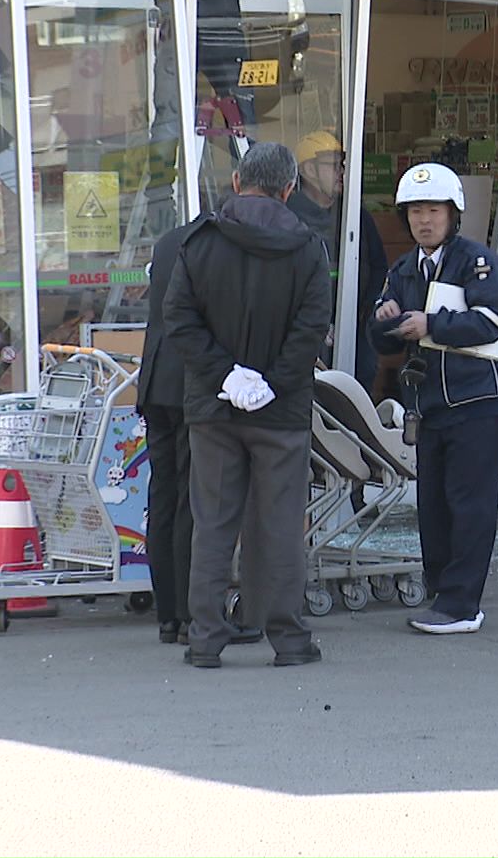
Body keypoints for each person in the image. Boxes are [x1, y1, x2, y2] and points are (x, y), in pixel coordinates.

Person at [164, 142, 332, 668]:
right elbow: (312, 329)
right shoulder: (309, 247)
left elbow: (179, 320)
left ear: (237, 182)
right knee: (280, 525)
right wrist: (271, 384)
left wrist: (226, 375)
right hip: (282, 413)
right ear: (289, 189)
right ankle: (288, 639)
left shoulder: (199, 242)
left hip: (212, 410)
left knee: (213, 523)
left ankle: (205, 639)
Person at [370, 163, 498, 635]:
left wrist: (430, 325)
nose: (424, 220)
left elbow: (495, 323)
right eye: (416, 211)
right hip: (430, 404)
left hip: (476, 400)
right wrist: (384, 319)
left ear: (453, 214)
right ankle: (441, 593)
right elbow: (382, 339)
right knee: (433, 505)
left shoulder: (478, 263)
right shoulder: (403, 269)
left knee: (469, 503)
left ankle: (462, 604)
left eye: (433, 210)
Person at [137, 215, 205, 646]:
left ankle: (166, 614)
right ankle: (186, 613)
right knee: (188, 499)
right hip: (188, 383)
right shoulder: (211, 246)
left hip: (155, 377)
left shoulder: (168, 241)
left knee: (161, 495)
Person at [288, 129, 387, 387]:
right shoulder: (288, 217)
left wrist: (365, 313)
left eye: (342, 165)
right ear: (309, 170)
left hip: (355, 331)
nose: (342, 172)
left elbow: (378, 266)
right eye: (333, 165)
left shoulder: (356, 215)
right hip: (304, 335)